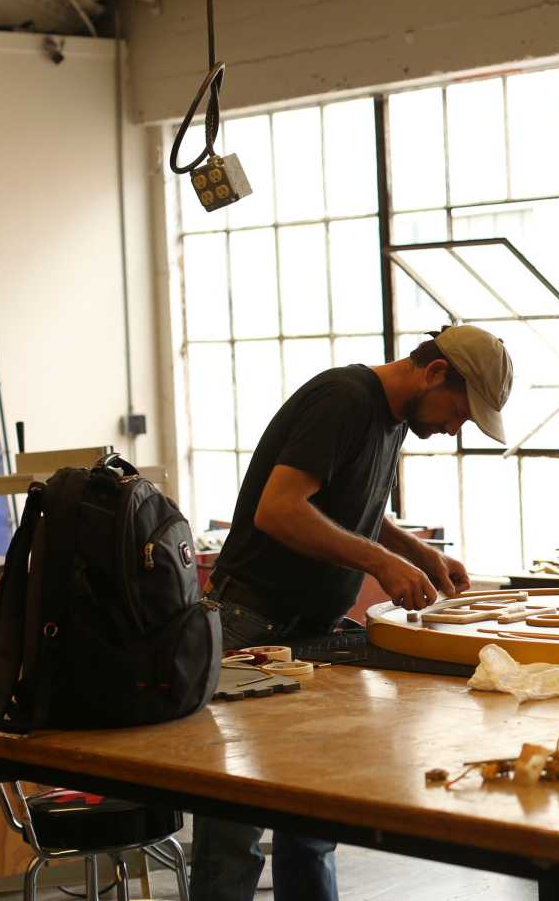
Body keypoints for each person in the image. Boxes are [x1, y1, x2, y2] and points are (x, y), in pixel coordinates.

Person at [190, 324, 514, 901]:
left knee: (312, 822)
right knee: (234, 829)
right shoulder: (343, 400)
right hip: (250, 627)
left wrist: (417, 553)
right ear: (435, 372)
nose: (452, 429)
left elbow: (351, 505)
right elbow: (278, 509)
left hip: (308, 634)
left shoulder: (392, 419)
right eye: (458, 413)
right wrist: (381, 564)